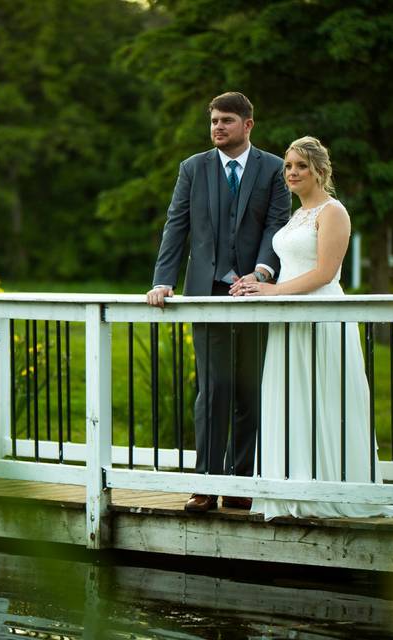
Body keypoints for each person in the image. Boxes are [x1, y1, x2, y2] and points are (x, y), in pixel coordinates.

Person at [231, 136, 393, 519]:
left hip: (322, 315)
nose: (292, 173)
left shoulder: (333, 211)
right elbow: (287, 263)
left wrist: (270, 292)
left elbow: (324, 273)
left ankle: (332, 487)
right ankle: (290, 486)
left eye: (301, 166)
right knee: (291, 398)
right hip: (287, 318)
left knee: (324, 398)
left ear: (320, 170)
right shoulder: (296, 216)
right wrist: (256, 282)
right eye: (288, 166)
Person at [146, 92, 290, 512]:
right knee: (213, 388)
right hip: (205, 293)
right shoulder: (193, 168)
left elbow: (276, 226)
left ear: (248, 125)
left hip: (254, 295)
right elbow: (177, 225)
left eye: (226, 120)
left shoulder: (274, 169)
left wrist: (262, 273)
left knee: (248, 389)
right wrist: (162, 281)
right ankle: (205, 483)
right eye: (213, 121)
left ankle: (240, 483)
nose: (217, 127)